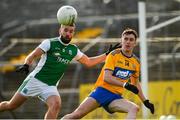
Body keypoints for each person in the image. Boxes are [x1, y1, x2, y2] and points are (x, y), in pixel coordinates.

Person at [0, 22, 121, 119]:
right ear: (60, 31)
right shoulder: (50, 43)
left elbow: (88, 62)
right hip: (35, 81)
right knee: (11, 105)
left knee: (56, 104)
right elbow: (32, 55)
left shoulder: (73, 50)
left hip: (50, 86)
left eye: (71, 31)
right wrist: (26, 64)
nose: (68, 33)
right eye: (66, 30)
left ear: (73, 33)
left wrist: (107, 54)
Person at [62, 28, 155, 119]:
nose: (128, 42)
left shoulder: (136, 62)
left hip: (115, 97)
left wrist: (145, 101)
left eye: (131, 40)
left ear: (135, 43)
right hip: (102, 91)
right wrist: (125, 85)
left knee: (134, 108)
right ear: (121, 41)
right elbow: (107, 78)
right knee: (76, 115)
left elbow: (135, 84)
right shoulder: (114, 55)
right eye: (125, 39)